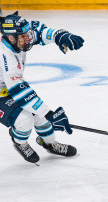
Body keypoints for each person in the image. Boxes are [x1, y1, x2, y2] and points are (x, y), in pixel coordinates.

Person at [0, 11, 84, 163]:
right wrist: (50, 114)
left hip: (10, 86)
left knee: (41, 118)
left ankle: (49, 143)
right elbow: (19, 90)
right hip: (4, 92)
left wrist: (60, 36)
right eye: (23, 37)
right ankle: (19, 142)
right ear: (11, 38)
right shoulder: (6, 58)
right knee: (25, 121)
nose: (28, 39)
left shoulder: (15, 35)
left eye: (27, 35)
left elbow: (38, 31)